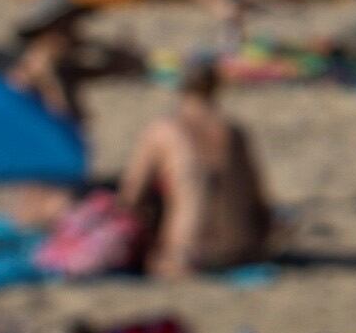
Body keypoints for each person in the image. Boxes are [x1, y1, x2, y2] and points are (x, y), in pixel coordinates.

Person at [114, 54, 274, 278]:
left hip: (188, 254)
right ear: (217, 86)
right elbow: (261, 204)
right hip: (243, 251)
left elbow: (130, 198)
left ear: (179, 87)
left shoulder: (163, 130)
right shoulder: (235, 131)